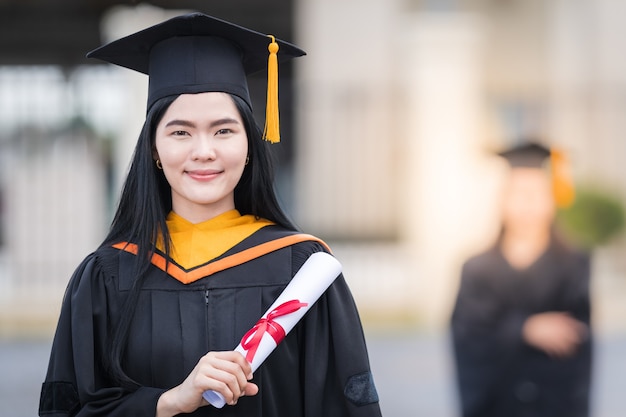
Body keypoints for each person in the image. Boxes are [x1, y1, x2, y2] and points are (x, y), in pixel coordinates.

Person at [38, 13, 381, 417]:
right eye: (180, 132)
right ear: (154, 149)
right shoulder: (106, 277)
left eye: (224, 130)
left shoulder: (302, 270)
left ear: (250, 144)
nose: (204, 151)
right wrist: (166, 402)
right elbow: (69, 409)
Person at [450, 142, 592, 417]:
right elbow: (468, 338)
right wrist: (525, 329)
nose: (527, 203)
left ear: (552, 199)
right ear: (501, 200)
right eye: (518, 193)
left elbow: (578, 346)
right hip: (495, 405)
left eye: (536, 193)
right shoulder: (477, 270)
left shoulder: (573, 265)